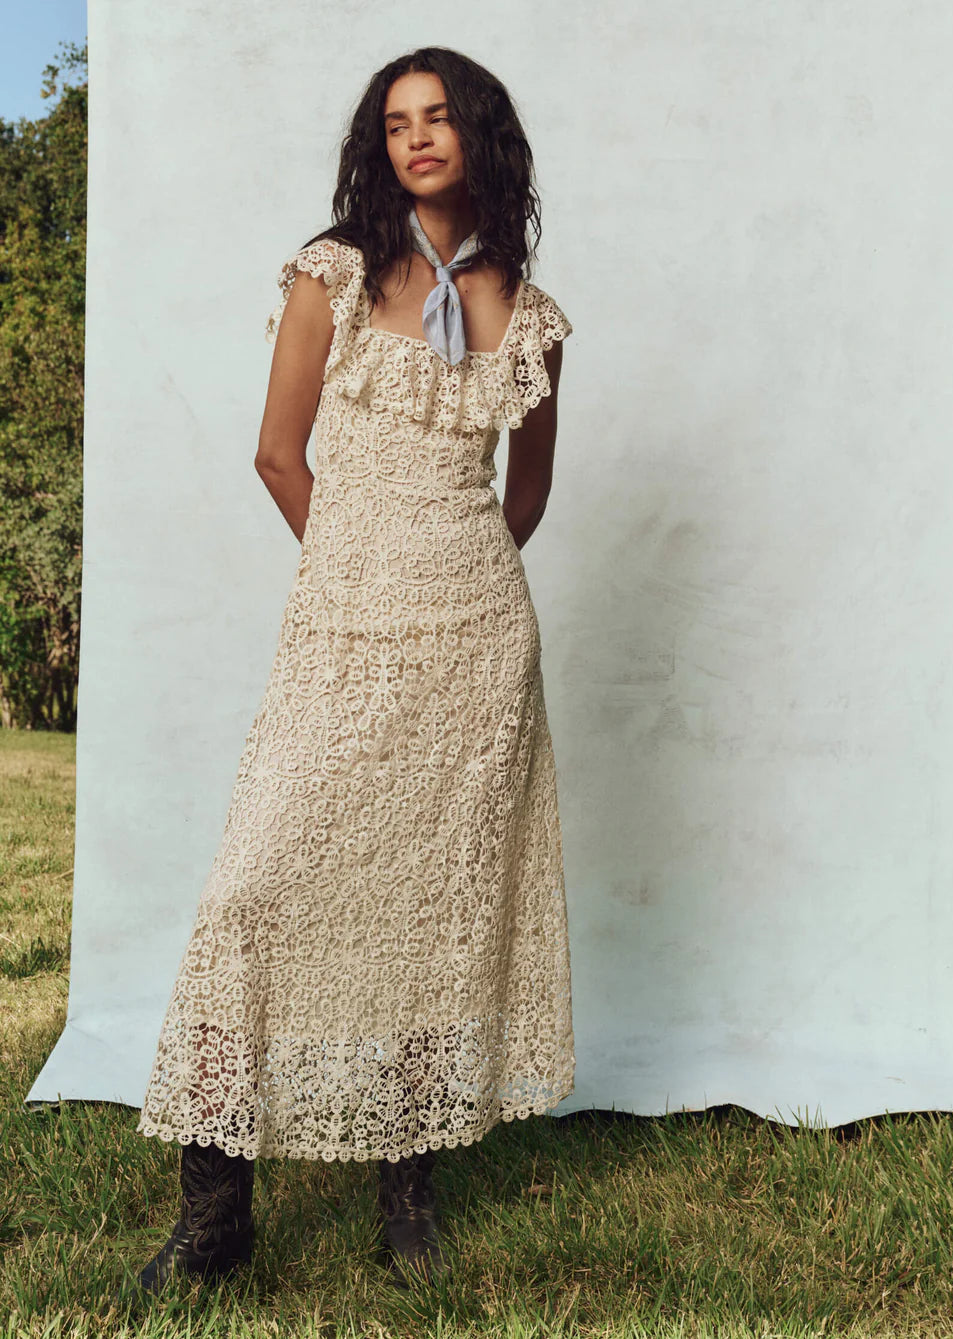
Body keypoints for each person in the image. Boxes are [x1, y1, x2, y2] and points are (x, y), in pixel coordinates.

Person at [129, 46, 576, 1296]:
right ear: (377, 146)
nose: (417, 139)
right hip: (344, 624)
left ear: (480, 135)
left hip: (479, 646)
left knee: (436, 908)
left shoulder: (528, 312)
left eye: (438, 119)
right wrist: (360, 579)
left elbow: (526, 491)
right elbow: (279, 457)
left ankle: (408, 1200)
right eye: (395, 123)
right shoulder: (329, 274)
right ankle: (217, 1222)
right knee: (251, 893)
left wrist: (461, 580)